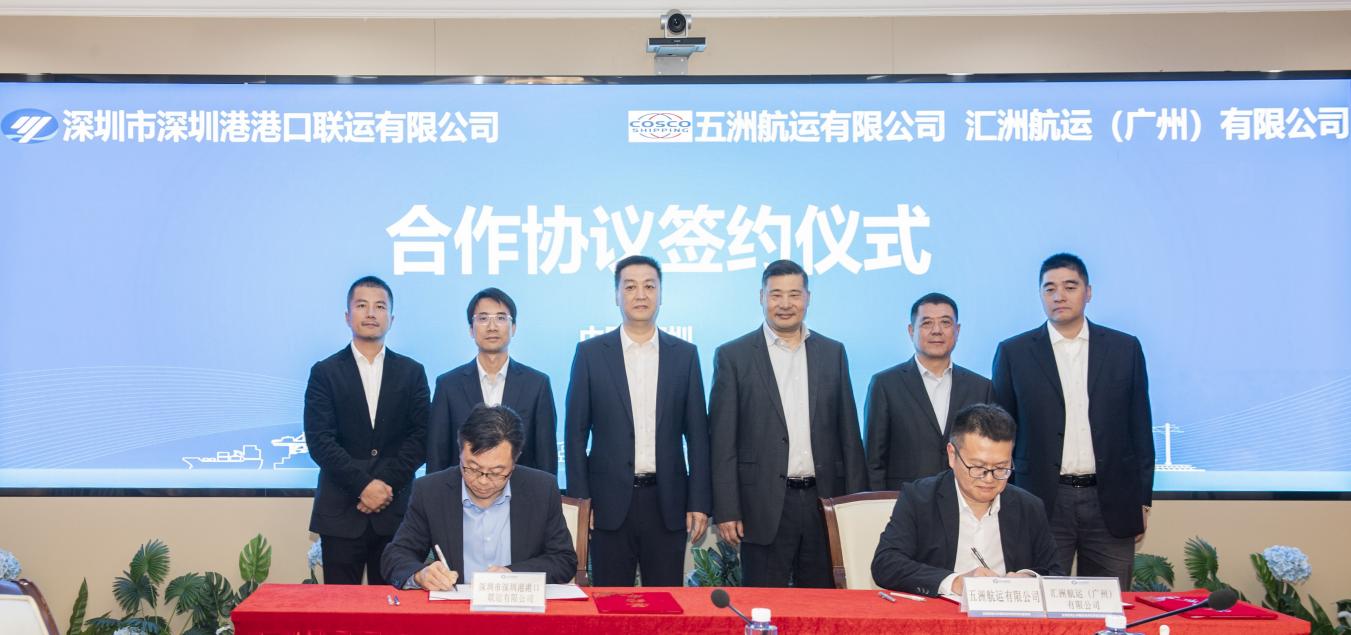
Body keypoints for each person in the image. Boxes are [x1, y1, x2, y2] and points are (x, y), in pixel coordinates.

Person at [991, 253, 1154, 589]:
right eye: (1049, 288)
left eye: (1070, 286)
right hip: (1040, 501)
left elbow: (1139, 428)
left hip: (1110, 500)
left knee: (1109, 604)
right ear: (1040, 295)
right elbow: (1000, 434)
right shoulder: (1014, 353)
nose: (1059, 296)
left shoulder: (1124, 349)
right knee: (1039, 601)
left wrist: (1142, 498)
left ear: (1088, 292)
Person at [709, 259, 867, 587]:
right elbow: (722, 442)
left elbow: (849, 437)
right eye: (776, 294)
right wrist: (726, 509)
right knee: (764, 602)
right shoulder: (734, 356)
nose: (785, 303)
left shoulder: (832, 353)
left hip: (823, 502)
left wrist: (854, 506)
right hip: (761, 505)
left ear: (807, 298)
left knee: (820, 603)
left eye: (794, 294)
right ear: (761, 297)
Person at [564, 255, 711, 586]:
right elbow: (575, 435)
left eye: (649, 286)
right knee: (610, 602)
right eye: (630, 287)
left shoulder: (685, 355)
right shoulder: (590, 354)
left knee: (665, 602)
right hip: (608, 504)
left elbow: (698, 437)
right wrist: (582, 503)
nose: (640, 295)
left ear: (661, 293)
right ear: (617, 295)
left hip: (667, 502)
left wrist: (699, 502)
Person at [304, 275, 429, 585]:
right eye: (362, 305)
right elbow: (320, 441)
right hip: (341, 510)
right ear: (348, 316)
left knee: (392, 606)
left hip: (395, 512)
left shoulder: (412, 372)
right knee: (340, 607)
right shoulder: (324, 372)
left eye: (380, 306)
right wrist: (363, 486)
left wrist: (384, 486)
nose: (371, 313)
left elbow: (421, 437)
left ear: (391, 318)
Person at [871, 403, 1062, 596]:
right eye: (978, 467)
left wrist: (1029, 579)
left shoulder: (1029, 507)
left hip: (1006, 612)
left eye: (1001, 468)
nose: (989, 479)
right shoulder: (919, 498)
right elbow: (886, 564)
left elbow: (1055, 573)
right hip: (940, 611)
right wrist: (955, 582)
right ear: (952, 455)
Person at [381, 404, 577, 589]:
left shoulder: (541, 489)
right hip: (456, 606)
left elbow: (563, 559)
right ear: (460, 453)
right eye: (472, 468)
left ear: (515, 461)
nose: (483, 481)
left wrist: (512, 574)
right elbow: (396, 555)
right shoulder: (431, 491)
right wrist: (420, 574)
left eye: (496, 472)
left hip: (518, 606)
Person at [865, 292, 995, 490]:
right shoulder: (885, 384)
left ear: (957, 330)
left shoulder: (981, 387)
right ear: (911, 331)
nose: (936, 331)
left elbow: (990, 454)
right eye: (927, 323)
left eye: (945, 323)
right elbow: (874, 461)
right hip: (904, 500)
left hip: (965, 498)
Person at [427, 287, 557, 475]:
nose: (492, 326)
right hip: (461, 490)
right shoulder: (448, 385)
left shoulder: (537, 385)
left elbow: (546, 458)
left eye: (501, 318)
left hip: (521, 490)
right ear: (471, 329)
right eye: (483, 318)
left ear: (513, 328)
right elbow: (437, 457)